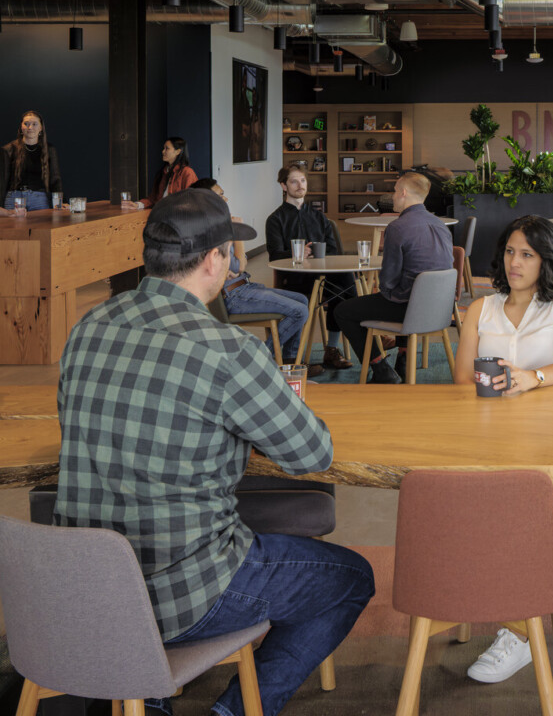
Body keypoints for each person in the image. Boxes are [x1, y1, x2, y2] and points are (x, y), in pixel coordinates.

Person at [54, 188, 375, 716]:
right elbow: (310, 453)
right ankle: (234, 711)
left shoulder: (88, 327)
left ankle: (144, 694)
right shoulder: (227, 348)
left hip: (89, 586)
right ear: (214, 260)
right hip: (187, 591)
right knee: (349, 579)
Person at [452, 213, 553, 682]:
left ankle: (520, 633)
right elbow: (459, 380)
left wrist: (530, 378)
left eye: (527, 254)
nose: (515, 262)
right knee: (459, 504)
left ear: (546, 259)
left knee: (505, 510)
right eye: (510, 251)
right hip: (491, 433)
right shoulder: (481, 308)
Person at [333, 171, 453, 384]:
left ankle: (381, 368)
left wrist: (386, 293)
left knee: (343, 311)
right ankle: (404, 361)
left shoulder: (397, 227)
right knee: (405, 292)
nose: (393, 196)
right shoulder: (441, 226)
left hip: (410, 309)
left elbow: (388, 279)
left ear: (404, 193)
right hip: (441, 308)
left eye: (395, 191)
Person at [193, 177, 317, 377]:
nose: (225, 199)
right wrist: (237, 234)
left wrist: (234, 263)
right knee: (300, 311)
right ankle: (258, 361)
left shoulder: (216, 225)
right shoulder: (213, 230)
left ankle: (289, 363)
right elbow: (239, 264)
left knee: (302, 299)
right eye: (220, 195)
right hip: (234, 295)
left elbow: (235, 268)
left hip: (243, 286)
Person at [265, 162, 354, 371]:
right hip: (294, 279)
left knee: (346, 282)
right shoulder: (275, 219)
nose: (300, 185)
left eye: (302, 180)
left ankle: (332, 350)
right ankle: (361, 338)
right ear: (283, 186)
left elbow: (334, 251)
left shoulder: (318, 217)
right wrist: (297, 253)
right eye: (294, 181)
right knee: (343, 288)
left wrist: (318, 254)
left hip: (322, 275)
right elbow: (275, 255)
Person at [1, 110, 63, 210]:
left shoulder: (49, 149)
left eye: (34, 124)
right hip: (14, 199)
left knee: (42, 226)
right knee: (14, 226)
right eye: (26, 124)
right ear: (21, 127)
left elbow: (55, 180)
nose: (30, 127)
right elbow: (2, 182)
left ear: (41, 128)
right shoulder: (9, 149)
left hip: (40, 199)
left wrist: (59, 203)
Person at [148, 136, 198, 205]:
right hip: (160, 212)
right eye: (163, 148)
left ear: (178, 151)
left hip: (177, 214)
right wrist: (138, 204)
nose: (163, 151)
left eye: (167, 148)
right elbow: (153, 199)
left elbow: (191, 200)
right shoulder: (162, 173)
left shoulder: (187, 172)